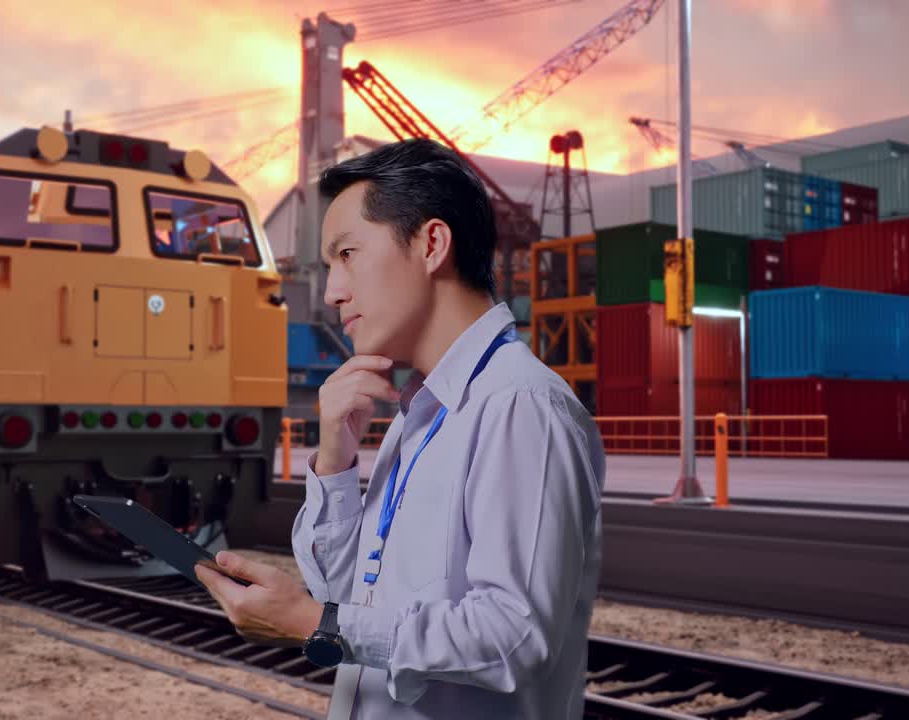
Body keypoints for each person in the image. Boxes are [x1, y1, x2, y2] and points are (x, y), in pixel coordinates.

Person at [195, 138, 606, 719]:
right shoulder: (421, 411)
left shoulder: (519, 404)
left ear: (431, 245)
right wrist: (334, 464)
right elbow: (350, 598)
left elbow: (513, 636)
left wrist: (315, 624)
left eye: (347, 254)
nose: (333, 291)